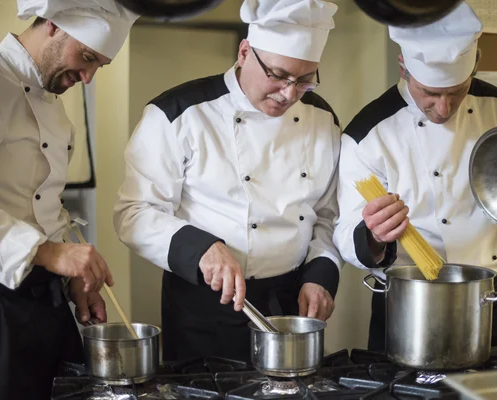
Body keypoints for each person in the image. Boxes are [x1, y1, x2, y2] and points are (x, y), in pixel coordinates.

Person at [114, 0, 343, 362]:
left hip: (289, 303)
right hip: (203, 307)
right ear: (244, 51)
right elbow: (134, 212)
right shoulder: (179, 114)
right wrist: (200, 248)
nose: (288, 94)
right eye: (278, 75)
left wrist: (321, 273)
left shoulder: (321, 119)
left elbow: (328, 214)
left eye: (304, 81)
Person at [0, 0, 138, 398]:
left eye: (99, 66)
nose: (89, 76)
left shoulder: (56, 111)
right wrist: (47, 253)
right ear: (54, 26)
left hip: (46, 305)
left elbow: (46, 206)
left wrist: (75, 277)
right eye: (88, 57)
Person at [333, 1, 497, 352]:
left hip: (490, 294)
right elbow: (346, 236)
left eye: (456, 91)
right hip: (410, 302)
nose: (444, 108)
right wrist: (374, 235)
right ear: (404, 67)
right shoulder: (368, 134)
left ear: (475, 67)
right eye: (430, 93)